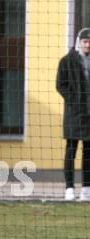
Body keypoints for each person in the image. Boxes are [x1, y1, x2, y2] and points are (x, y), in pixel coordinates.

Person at [56, 28, 90, 201]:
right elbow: (60, 85)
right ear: (79, 42)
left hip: (89, 115)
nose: (88, 44)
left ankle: (86, 189)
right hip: (73, 114)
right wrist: (75, 100)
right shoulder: (67, 61)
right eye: (85, 41)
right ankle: (69, 188)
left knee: (88, 153)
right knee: (71, 151)